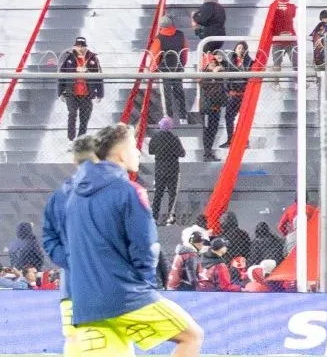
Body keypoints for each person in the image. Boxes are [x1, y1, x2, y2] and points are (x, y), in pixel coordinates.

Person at [43, 123, 206, 357]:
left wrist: (74, 265)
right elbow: (145, 246)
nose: (139, 152)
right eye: (134, 146)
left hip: (82, 297)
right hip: (123, 293)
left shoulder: (69, 194)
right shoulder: (128, 190)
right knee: (191, 336)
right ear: (120, 153)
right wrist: (141, 281)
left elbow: (51, 238)